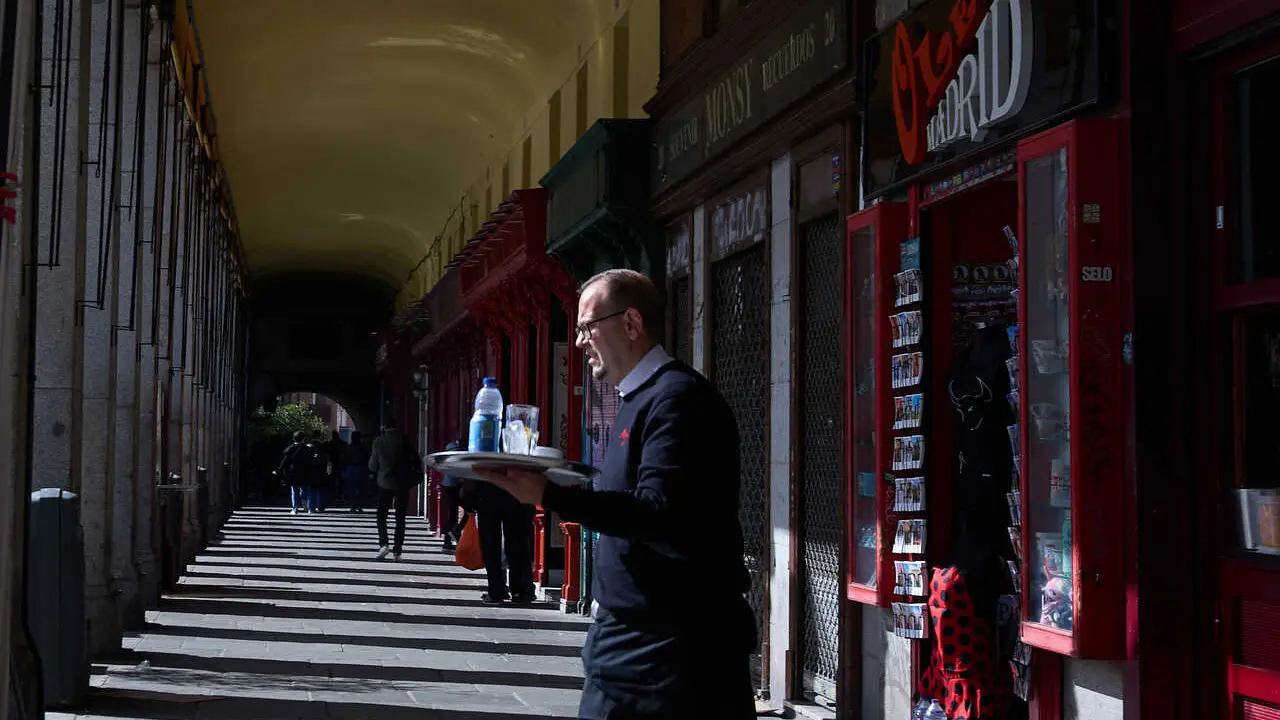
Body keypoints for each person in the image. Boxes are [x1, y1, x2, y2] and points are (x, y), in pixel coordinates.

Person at [480, 268, 756, 719]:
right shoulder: (637, 398)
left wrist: (550, 495)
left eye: (587, 327)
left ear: (631, 323)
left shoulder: (677, 400)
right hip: (632, 646)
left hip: (668, 655)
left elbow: (657, 511)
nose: (579, 342)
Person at [368, 419, 422, 561]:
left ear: (384, 427)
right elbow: (416, 459)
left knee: (381, 516)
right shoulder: (405, 440)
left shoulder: (379, 441)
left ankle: (384, 544)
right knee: (400, 518)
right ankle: (397, 551)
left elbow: (373, 465)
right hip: (403, 483)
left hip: (385, 482)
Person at [277, 431, 320, 514]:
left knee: (294, 491)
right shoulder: (308, 449)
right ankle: (304, 500)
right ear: (303, 439)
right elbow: (314, 459)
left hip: (294, 472)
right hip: (306, 472)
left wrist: (279, 470)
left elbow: (285, 461)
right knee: (305, 489)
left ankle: (295, 508)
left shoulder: (289, 449)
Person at [438, 439, 465, 550]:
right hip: (454, 487)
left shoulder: (448, 459)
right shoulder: (458, 460)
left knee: (453, 515)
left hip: (448, 486)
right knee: (469, 510)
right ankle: (456, 532)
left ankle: (447, 542)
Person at [342, 431, 368, 512]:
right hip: (360, 468)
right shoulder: (363, 447)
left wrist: (343, 469)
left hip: (350, 468)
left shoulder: (348, 447)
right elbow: (366, 458)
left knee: (351, 488)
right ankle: (359, 505)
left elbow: (344, 458)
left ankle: (353, 505)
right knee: (360, 487)